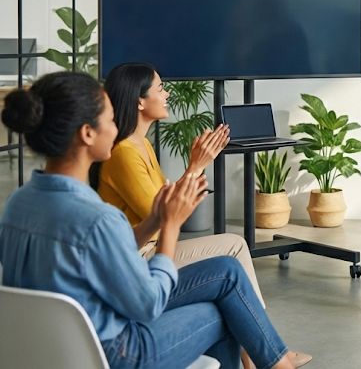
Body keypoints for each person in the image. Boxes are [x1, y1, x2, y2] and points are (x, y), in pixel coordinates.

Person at [0, 72, 295, 369]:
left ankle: (277, 362)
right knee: (223, 311)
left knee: (227, 269)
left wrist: (155, 219)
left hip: (45, 350)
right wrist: (169, 227)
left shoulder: (17, 204)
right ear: (88, 133)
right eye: (111, 120)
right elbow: (148, 304)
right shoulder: (98, 218)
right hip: (116, 353)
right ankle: (277, 364)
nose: (116, 129)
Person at [94, 63, 312, 368]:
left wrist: (197, 166)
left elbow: (168, 205)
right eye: (159, 88)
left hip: (152, 247)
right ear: (139, 101)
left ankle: (258, 351)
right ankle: (265, 353)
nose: (167, 93)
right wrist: (196, 166)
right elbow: (165, 213)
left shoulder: (141, 144)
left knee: (235, 244)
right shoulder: (123, 154)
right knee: (229, 270)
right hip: (143, 257)